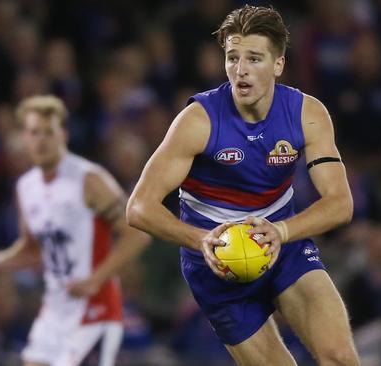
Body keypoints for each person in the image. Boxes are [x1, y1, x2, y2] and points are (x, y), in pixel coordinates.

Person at [127, 5, 359, 365]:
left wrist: (281, 231)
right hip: (217, 267)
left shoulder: (306, 114)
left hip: (283, 247)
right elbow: (139, 207)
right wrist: (200, 239)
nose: (241, 69)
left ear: (278, 64)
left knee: (340, 357)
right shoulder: (198, 120)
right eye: (232, 57)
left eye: (254, 58)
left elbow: (340, 204)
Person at [0, 95, 150, 366]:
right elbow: (34, 249)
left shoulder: (89, 179)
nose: (41, 140)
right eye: (34, 132)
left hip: (95, 307)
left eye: (49, 132)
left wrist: (96, 278)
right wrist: (0, 261)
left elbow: (137, 233)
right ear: (25, 137)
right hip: (55, 306)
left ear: (63, 134)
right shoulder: (26, 187)